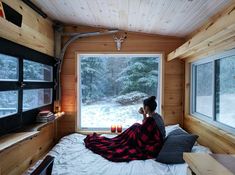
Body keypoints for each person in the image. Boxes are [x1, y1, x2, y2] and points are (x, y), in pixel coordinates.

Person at [84, 96, 165, 162]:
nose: (143, 108)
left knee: (134, 128)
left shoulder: (151, 120)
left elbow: (144, 136)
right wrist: (144, 115)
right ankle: (124, 138)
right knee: (136, 126)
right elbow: (146, 128)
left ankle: (123, 139)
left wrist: (143, 117)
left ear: (146, 107)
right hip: (155, 141)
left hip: (152, 145)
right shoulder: (157, 116)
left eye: (144, 107)